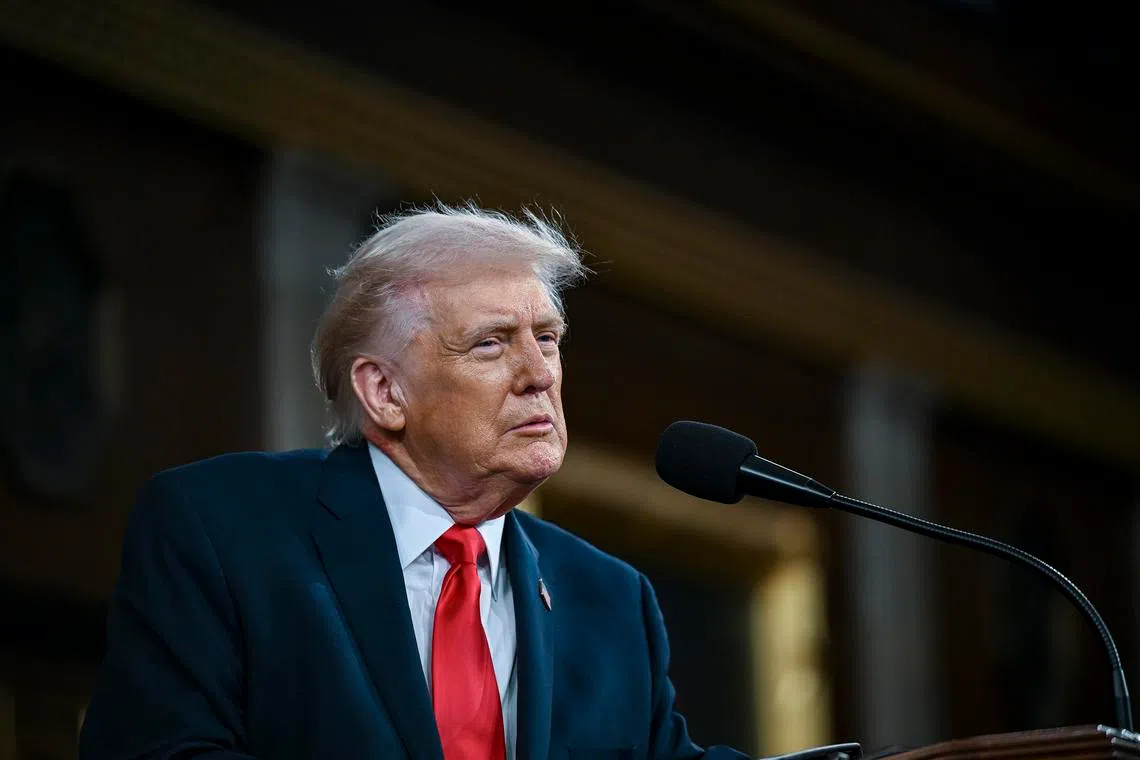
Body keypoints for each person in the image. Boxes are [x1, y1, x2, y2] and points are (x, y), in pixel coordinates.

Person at [78, 203, 750, 759]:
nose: (539, 373)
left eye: (547, 339)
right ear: (383, 390)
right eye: (491, 343)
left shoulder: (607, 599)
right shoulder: (221, 530)